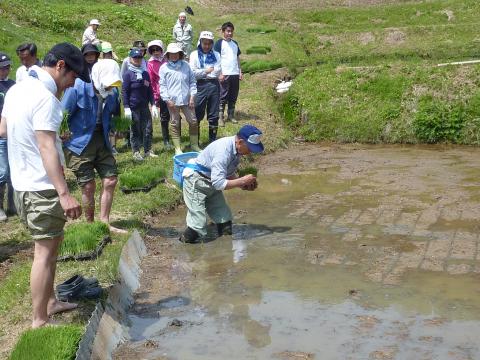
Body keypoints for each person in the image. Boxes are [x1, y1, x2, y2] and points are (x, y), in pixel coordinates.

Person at [0, 42, 89, 328]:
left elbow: (3, 129)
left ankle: (50, 302)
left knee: (53, 242)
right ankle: (39, 320)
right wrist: (64, 194)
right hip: (40, 186)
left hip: (22, 183)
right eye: (73, 76)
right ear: (60, 66)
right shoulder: (46, 99)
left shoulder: (17, 89)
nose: (73, 83)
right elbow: (45, 145)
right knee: (44, 251)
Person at [62, 58, 126, 234]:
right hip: (78, 142)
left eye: (114, 84)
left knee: (111, 180)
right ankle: (90, 224)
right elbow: (62, 114)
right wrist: (62, 133)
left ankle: (104, 221)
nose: (110, 87)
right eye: (108, 83)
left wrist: (117, 130)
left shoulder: (112, 94)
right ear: (97, 76)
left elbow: (113, 116)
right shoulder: (77, 88)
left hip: (101, 139)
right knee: (88, 185)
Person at [180, 124, 264, 244]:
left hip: (211, 183)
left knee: (225, 222)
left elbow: (227, 174)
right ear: (240, 142)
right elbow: (219, 183)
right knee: (197, 227)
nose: (251, 152)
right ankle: (184, 250)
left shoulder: (237, 151)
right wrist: (242, 181)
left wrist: (242, 185)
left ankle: (225, 253)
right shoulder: (223, 151)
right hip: (197, 181)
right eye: (250, 148)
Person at [160, 43, 199, 155]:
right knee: (174, 123)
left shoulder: (186, 66)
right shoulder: (164, 68)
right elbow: (162, 86)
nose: (174, 55)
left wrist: (192, 96)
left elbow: (192, 81)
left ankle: (194, 145)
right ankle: (178, 148)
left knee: (193, 121)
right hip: (172, 101)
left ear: (180, 54)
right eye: (171, 54)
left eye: (176, 53)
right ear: (168, 55)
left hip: (187, 99)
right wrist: (167, 100)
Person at [122, 48, 156, 161]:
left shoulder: (145, 73)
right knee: (135, 130)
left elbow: (150, 89)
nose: (137, 59)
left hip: (144, 106)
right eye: (135, 57)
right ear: (130, 59)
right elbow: (124, 91)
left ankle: (147, 150)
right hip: (133, 107)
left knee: (148, 128)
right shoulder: (128, 74)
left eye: (139, 57)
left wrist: (153, 104)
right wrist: (126, 107)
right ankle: (136, 151)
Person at [189, 31, 222, 143]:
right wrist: (206, 71)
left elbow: (217, 71)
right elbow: (192, 73)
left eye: (209, 43)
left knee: (214, 115)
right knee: (196, 114)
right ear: (200, 42)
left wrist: (202, 72)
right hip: (199, 85)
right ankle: (195, 142)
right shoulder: (194, 54)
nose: (207, 46)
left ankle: (212, 141)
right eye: (204, 43)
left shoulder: (216, 55)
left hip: (214, 85)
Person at [214, 22, 242, 126]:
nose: (230, 33)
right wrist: (219, 73)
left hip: (234, 73)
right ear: (223, 31)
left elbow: (237, 57)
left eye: (231, 31)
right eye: (228, 31)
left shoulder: (235, 43)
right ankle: (220, 117)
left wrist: (240, 71)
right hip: (224, 74)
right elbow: (216, 59)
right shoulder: (219, 43)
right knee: (223, 96)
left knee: (233, 95)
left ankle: (231, 115)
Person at [146, 39, 172, 150]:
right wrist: (155, 97)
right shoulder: (150, 64)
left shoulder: (167, 60)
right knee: (164, 117)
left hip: (173, 90)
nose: (156, 52)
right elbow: (151, 81)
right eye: (153, 50)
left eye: (158, 49)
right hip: (161, 92)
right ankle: (166, 139)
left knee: (176, 115)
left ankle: (177, 136)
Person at [0, 53, 16, 221]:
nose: (5, 70)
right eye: (2, 67)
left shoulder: (13, 85)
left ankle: (12, 204)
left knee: (13, 171)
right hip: (1, 136)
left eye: (7, 67)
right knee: (2, 171)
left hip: (14, 133)